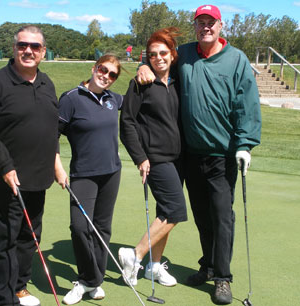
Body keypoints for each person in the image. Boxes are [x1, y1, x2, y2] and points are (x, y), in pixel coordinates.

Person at [137, 4, 261, 305]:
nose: (205, 27)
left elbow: (247, 104)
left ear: (220, 26)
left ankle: (223, 278)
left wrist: (244, 144)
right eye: (200, 22)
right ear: (195, 26)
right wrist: (144, 65)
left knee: (222, 218)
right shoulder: (186, 54)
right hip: (190, 154)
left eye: (211, 22)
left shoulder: (237, 60)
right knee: (203, 218)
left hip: (222, 155)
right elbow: (160, 59)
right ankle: (207, 266)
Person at [0, 25, 59, 306]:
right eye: (22, 45)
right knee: (6, 239)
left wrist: (56, 162)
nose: (28, 50)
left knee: (30, 236)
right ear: (14, 49)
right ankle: (3, 298)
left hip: (39, 177)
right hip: (8, 179)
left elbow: (52, 128)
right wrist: (5, 167)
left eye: (35, 47)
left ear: (43, 52)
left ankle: (19, 286)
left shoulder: (47, 82)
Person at [118, 27, 187, 288]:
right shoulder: (140, 83)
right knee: (175, 211)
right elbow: (127, 123)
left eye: (162, 53)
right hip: (155, 159)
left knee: (164, 213)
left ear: (172, 54)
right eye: (152, 55)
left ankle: (154, 268)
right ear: (147, 58)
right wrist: (140, 157)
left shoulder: (178, 80)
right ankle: (134, 255)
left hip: (179, 158)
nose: (158, 58)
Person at [54, 54, 123, 305]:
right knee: (80, 227)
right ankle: (89, 279)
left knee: (102, 229)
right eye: (103, 70)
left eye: (112, 74)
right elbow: (53, 135)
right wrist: (57, 168)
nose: (106, 76)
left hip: (112, 172)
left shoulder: (113, 99)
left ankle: (93, 281)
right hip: (83, 174)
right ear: (94, 68)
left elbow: (140, 101)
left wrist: (146, 70)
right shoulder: (71, 98)